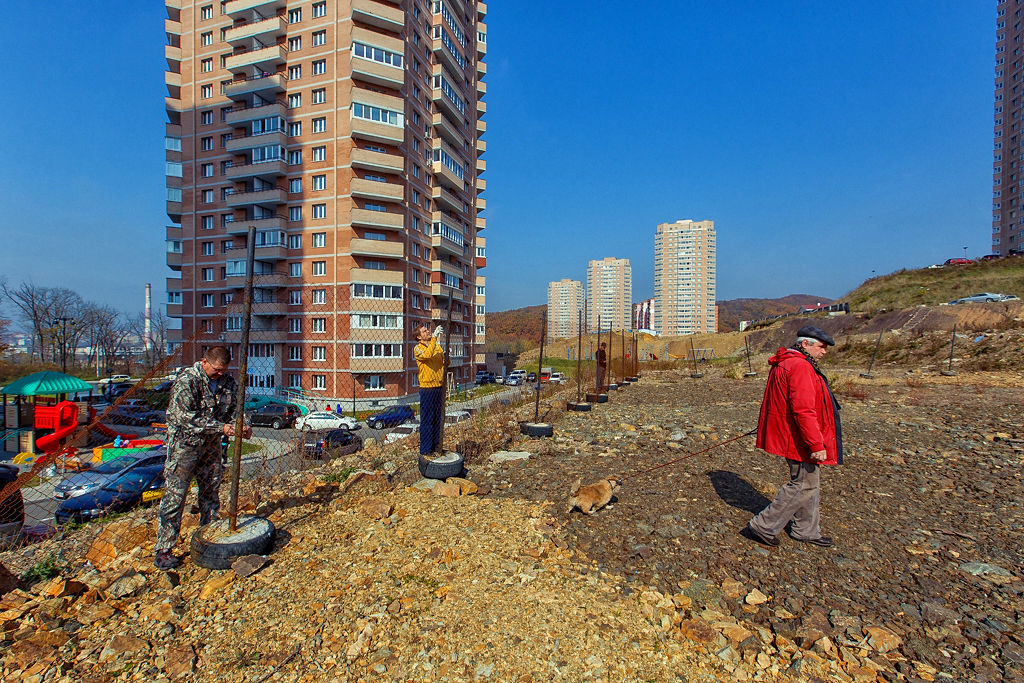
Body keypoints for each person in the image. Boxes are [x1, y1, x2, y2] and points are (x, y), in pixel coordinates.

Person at [154, 346, 251, 569]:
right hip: (184, 448)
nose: (219, 374)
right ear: (204, 362)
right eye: (216, 370)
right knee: (175, 497)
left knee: (210, 493)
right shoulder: (187, 380)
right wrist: (221, 427)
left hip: (211, 448)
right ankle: (164, 549)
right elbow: (183, 417)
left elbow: (236, 409)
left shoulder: (227, 382)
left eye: (223, 370)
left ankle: (207, 537)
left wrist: (243, 424)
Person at [746, 326, 842, 549]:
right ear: (805, 344)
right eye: (821, 347)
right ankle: (764, 525)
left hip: (792, 433)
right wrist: (816, 444)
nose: (824, 352)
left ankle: (806, 530)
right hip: (797, 437)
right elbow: (803, 409)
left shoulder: (787, 362)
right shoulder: (800, 366)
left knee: (810, 483)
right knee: (803, 484)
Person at [414, 324, 445, 456]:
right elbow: (427, 355)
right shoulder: (418, 348)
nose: (428, 331)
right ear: (419, 337)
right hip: (427, 388)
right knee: (427, 419)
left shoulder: (436, 346)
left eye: (427, 329)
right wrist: (434, 339)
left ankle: (436, 446)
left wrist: (446, 354)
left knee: (437, 418)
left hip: (439, 386)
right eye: (424, 331)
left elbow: (445, 363)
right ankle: (426, 450)